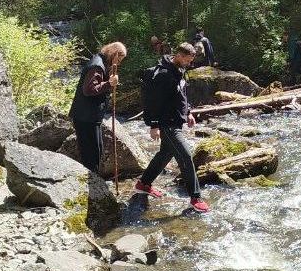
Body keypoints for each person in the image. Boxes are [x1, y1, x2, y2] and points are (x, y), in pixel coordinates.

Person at [134, 42, 210, 213]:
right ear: (179, 56)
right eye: (188, 60)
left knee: (165, 155)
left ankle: (143, 183)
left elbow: (181, 95)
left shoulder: (180, 71)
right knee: (185, 156)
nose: (189, 64)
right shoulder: (163, 74)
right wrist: (153, 125)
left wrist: (188, 112)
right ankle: (195, 198)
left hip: (176, 120)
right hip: (166, 124)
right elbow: (152, 102)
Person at [68, 41, 128, 174]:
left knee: (97, 151)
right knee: (91, 154)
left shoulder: (101, 63)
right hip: (85, 117)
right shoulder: (97, 65)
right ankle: (92, 186)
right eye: (119, 59)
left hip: (90, 116)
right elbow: (88, 90)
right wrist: (109, 83)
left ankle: (94, 183)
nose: (119, 63)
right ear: (113, 53)